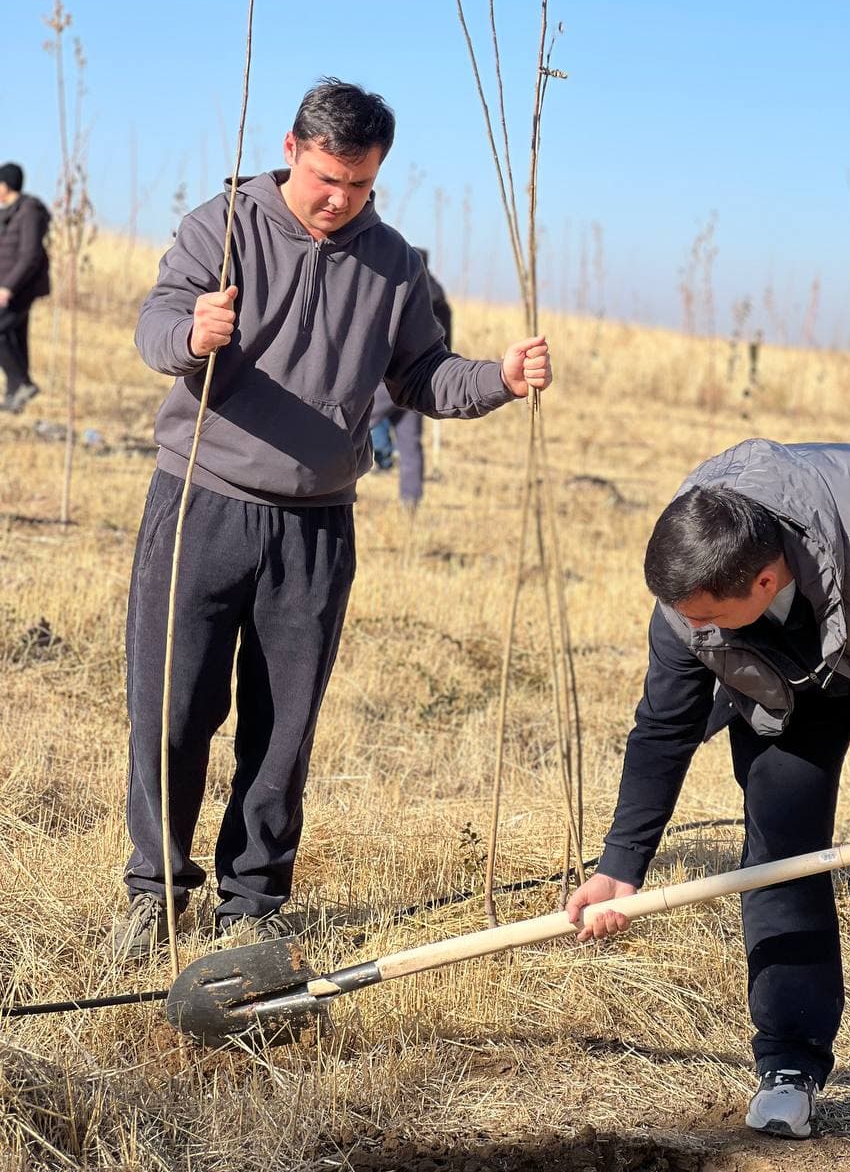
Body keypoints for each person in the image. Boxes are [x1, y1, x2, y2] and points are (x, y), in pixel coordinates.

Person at [111, 79, 552, 961]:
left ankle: (254, 906)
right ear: (292, 149)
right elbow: (155, 323)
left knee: (284, 728)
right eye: (324, 178)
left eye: (359, 183)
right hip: (201, 499)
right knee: (172, 709)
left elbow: (423, 375)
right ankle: (153, 891)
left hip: (315, 528)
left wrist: (499, 380)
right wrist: (192, 332)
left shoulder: (395, 263)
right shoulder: (223, 224)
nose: (338, 199)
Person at [566, 438, 850, 1139]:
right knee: (779, 849)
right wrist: (620, 867)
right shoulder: (690, 601)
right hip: (783, 689)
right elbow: (663, 727)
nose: (694, 631)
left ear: (764, 582)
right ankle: (790, 1064)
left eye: (707, 619)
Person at [369, 247, 452, 510]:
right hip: (425, 379)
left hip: (390, 377)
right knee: (410, 443)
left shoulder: (403, 289)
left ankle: (328, 486)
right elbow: (447, 340)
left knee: (350, 423)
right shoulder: (441, 300)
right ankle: (411, 503)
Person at [0, 163, 49, 413]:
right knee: (13, 338)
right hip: (7, 287)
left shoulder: (28, 211)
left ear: (6, 185)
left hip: (19, 289)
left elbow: (30, 255)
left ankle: (23, 384)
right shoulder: (9, 213)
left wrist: (8, 287)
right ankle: (13, 398)